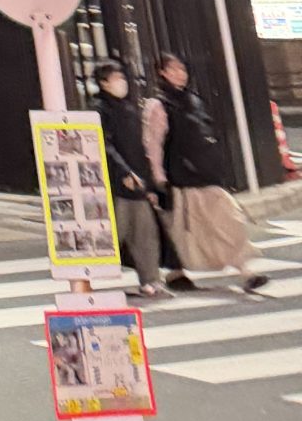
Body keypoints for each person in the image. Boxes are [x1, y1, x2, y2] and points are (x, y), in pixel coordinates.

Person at [145, 52, 266, 293]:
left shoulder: (193, 100)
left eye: (182, 69)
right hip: (181, 178)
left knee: (227, 221)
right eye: (173, 69)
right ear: (162, 73)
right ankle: (177, 272)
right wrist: (158, 177)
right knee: (184, 230)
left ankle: (244, 270)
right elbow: (153, 144)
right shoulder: (158, 105)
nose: (180, 74)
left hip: (205, 174)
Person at [92, 60, 163, 297]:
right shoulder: (99, 110)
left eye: (122, 78)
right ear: (103, 83)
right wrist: (124, 171)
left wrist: (148, 182)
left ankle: (151, 280)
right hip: (117, 182)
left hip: (137, 180)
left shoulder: (128, 108)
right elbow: (105, 145)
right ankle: (91, 278)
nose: (121, 83)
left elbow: (139, 147)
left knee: (145, 233)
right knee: (116, 232)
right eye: (116, 78)